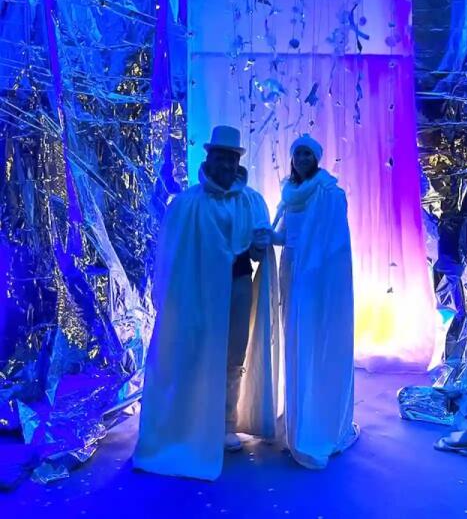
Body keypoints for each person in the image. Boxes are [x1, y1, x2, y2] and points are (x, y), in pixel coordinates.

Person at [133, 126, 279, 481]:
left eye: (232, 158)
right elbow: (172, 255)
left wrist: (260, 244)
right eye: (221, 157)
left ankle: (226, 422)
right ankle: (194, 419)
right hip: (198, 291)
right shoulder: (187, 204)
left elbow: (256, 249)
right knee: (197, 351)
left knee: (234, 354)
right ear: (209, 158)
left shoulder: (250, 201)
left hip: (237, 284)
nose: (226, 164)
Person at [273, 134, 359, 469]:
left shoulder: (328, 194)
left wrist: (313, 273)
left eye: (308, 154)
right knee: (294, 343)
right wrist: (269, 237)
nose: (302, 159)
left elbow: (333, 247)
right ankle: (298, 417)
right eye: (298, 154)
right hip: (291, 274)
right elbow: (289, 237)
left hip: (316, 282)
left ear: (317, 158)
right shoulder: (289, 194)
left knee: (313, 343)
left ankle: (317, 423)